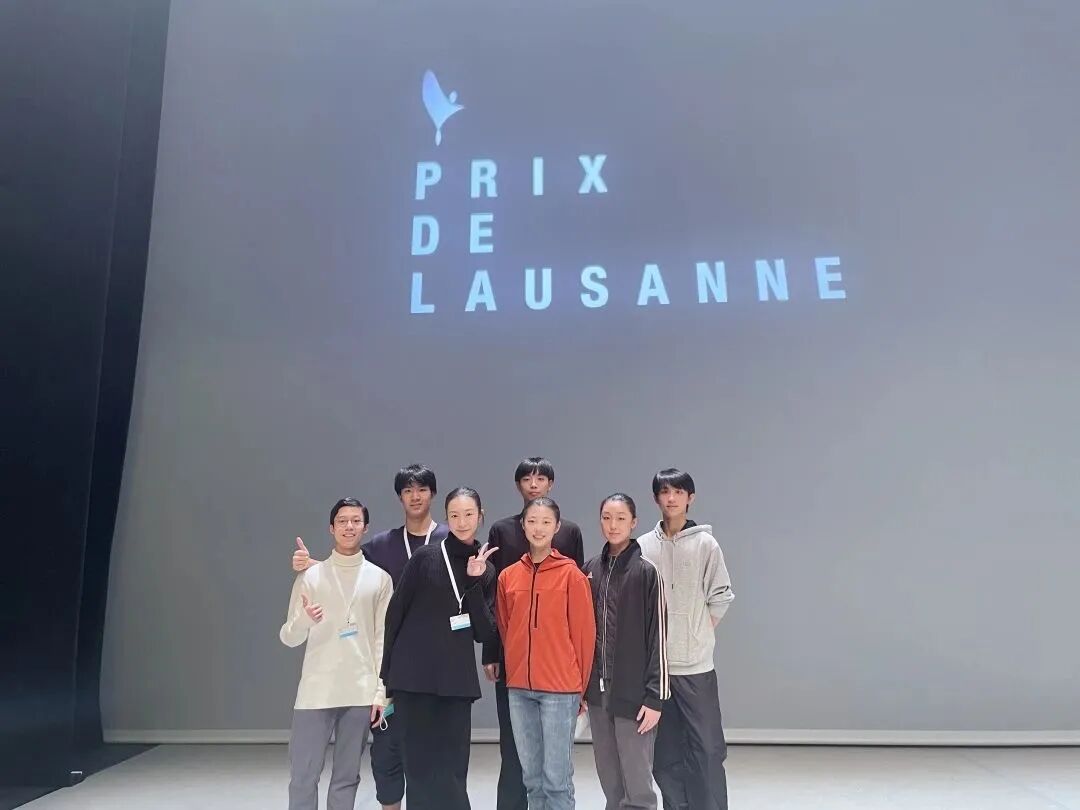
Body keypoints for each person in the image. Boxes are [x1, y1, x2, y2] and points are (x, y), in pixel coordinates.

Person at [292, 464, 449, 810]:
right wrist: (313, 568)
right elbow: (348, 565)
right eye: (407, 490)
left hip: (439, 662)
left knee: (436, 753)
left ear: (433, 494)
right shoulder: (382, 544)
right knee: (386, 754)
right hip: (394, 663)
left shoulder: (449, 540)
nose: (415, 496)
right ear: (399, 497)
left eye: (422, 489)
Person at [380, 486, 499, 810]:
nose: (462, 521)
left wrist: (475, 582)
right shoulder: (425, 557)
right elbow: (395, 613)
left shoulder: (487, 569)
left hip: (456, 682)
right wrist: (386, 676)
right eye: (454, 515)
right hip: (412, 679)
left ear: (480, 516)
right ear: (447, 518)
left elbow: (484, 632)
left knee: (453, 769)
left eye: (469, 514)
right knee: (418, 770)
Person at [483, 457, 585, 810]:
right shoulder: (507, 570)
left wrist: (580, 685)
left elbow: (581, 630)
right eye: (527, 478)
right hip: (519, 681)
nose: (534, 484)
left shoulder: (571, 568)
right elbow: (503, 620)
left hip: (558, 680)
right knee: (528, 775)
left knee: (556, 780)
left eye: (546, 522)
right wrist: (499, 655)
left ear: (557, 526)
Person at [280, 498, 393, 810]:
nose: (349, 526)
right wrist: (304, 620)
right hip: (316, 692)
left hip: (360, 692)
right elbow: (288, 637)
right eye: (342, 521)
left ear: (365, 528)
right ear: (331, 528)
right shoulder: (311, 577)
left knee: (347, 776)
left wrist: (380, 691)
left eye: (356, 521)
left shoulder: (380, 579)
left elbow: (383, 641)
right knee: (303, 776)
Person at [637, 469, 734, 810]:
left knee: (707, 750)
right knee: (665, 754)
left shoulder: (706, 544)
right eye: (665, 491)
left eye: (679, 491)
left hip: (695, 667)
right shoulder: (643, 547)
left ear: (690, 497)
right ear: (656, 498)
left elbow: (721, 596)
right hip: (657, 670)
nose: (672, 498)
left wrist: (696, 633)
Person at [583, 493, 668, 810]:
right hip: (597, 694)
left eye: (621, 518)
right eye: (607, 518)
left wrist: (655, 697)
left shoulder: (646, 572)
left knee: (637, 783)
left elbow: (658, 637)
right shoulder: (590, 570)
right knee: (610, 778)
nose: (613, 525)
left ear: (634, 523)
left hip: (634, 694)